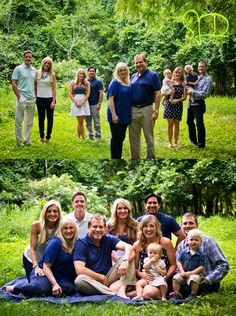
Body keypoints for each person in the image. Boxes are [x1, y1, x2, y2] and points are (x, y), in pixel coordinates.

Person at [5, 218, 78, 297]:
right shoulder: (56, 242)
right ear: (61, 230)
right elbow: (46, 267)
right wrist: (55, 284)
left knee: (70, 289)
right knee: (40, 289)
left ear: (75, 230)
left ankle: (34, 289)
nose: (68, 231)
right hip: (45, 274)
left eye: (71, 228)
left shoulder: (77, 244)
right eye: (65, 228)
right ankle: (13, 288)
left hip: (61, 278)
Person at [74, 214, 135, 299]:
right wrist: (101, 277)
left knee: (129, 254)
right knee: (79, 280)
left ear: (104, 228)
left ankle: (121, 289)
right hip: (92, 280)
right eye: (94, 226)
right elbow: (80, 270)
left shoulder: (107, 238)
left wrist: (125, 261)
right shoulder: (81, 243)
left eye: (101, 227)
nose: (98, 230)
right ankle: (115, 293)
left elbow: (129, 247)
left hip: (109, 277)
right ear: (89, 227)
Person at [177, 212, 230, 295]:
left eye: (191, 223)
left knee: (191, 290)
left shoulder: (208, 242)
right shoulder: (182, 245)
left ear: (197, 225)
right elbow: (178, 266)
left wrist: (208, 279)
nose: (187, 226)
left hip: (205, 281)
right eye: (185, 223)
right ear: (181, 226)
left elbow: (224, 265)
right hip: (188, 280)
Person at [133, 215, 176, 300]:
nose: (148, 229)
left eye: (151, 226)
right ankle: (140, 293)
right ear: (141, 228)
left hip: (161, 280)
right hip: (146, 279)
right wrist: (141, 274)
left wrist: (165, 277)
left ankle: (157, 294)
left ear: (157, 227)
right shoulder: (138, 245)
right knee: (145, 290)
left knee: (148, 293)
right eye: (145, 226)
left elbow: (173, 265)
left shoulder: (165, 242)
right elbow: (135, 268)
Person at [129, 53, 161, 159]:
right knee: (133, 137)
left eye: (140, 62)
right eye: (136, 62)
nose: (138, 64)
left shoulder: (153, 75)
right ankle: (135, 158)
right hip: (133, 109)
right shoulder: (133, 76)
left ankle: (151, 157)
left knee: (148, 136)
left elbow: (157, 93)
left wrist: (156, 110)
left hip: (147, 109)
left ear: (145, 62)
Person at [23, 200, 63, 282]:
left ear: (59, 213)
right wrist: (36, 267)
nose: (52, 214)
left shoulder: (62, 226)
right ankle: (12, 288)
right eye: (49, 211)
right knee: (34, 283)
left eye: (55, 211)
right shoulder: (36, 225)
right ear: (44, 213)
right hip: (31, 258)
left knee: (46, 284)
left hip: (47, 261)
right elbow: (32, 248)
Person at [107, 62, 132, 159]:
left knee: (121, 137)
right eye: (120, 70)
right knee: (116, 138)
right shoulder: (115, 82)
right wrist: (114, 114)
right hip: (116, 115)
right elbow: (110, 99)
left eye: (124, 70)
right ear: (117, 72)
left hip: (125, 114)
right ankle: (115, 157)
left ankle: (119, 156)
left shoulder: (128, 82)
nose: (123, 72)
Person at [12, 50, 37, 147]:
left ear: (32, 58)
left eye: (30, 57)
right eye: (26, 57)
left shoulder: (34, 70)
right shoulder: (18, 69)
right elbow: (13, 82)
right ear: (23, 58)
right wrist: (19, 96)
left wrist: (35, 95)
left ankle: (27, 140)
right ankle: (19, 142)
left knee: (29, 122)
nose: (28, 58)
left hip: (31, 99)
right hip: (22, 97)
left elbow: (35, 84)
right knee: (19, 121)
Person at [172, 229, 205, 301]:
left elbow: (201, 267)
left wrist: (191, 273)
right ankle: (176, 294)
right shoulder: (184, 252)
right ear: (187, 241)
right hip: (184, 272)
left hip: (196, 274)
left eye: (196, 240)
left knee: (194, 279)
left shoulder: (201, 254)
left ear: (201, 242)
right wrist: (182, 271)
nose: (193, 242)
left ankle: (193, 294)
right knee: (175, 278)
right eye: (191, 240)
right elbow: (178, 261)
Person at [186, 60, 213, 148]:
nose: (201, 68)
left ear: (206, 67)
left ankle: (201, 144)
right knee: (189, 121)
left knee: (199, 124)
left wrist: (192, 91)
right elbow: (189, 84)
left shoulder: (208, 79)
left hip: (199, 103)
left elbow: (205, 94)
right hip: (191, 102)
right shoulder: (197, 77)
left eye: (202, 66)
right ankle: (193, 140)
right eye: (199, 66)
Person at [106, 198, 138, 262]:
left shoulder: (135, 224)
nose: (122, 211)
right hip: (112, 259)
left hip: (131, 257)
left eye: (125, 208)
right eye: (119, 208)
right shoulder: (109, 225)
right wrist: (117, 261)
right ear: (115, 210)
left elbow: (138, 246)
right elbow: (105, 246)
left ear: (128, 210)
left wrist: (125, 261)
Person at [163, 66, 186, 148]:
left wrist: (176, 101)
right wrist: (164, 101)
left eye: (179, 73)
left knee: (177, 124)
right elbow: (165, 92)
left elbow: (184, 97)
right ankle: (169, 142)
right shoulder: (170, 82)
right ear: (174, 73)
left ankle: (175, 142)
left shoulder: (183, 84)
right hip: (169, 105)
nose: (177, 74)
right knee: (170, 124)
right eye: (176, 72)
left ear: (182, 74)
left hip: (178, 105)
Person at [36, 56, 56, 144]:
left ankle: (48, 137)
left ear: (50, 65)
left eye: (49, 63)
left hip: (49, 99)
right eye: (45, 63)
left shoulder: (52, 75)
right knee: (41, 118)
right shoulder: (37, 73)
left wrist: (53, 101)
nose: (47, 64)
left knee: (50, 119)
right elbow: (35, 86)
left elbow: (54, 88)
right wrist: (35, 97)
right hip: (39, 99)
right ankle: (41, 137)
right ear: (43, 63)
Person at [69, 68, 91, 140]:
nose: (81, 75)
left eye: (83, 74)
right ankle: (82, 137)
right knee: (80, 121)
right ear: (77, 74)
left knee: (81, 121)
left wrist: (82, 102)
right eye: (80, 73)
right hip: (75, 102)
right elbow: (70, 93)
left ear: (84, 75)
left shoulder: (87, 83)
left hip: (83, 102)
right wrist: (75, 102)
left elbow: (88, 93)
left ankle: (80, 137)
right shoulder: (73, 83)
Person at [85, 66, 104, 140]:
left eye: (93, 71)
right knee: (88, 121)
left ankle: (98, 136)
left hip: (95, 104)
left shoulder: (98, 82)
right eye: (90, 71)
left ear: (95, 72)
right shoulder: (86, 81)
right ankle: (90, 135)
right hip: (86, 104)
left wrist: (99, 103)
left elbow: (101, 93)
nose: (91, 72)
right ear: (88, 72)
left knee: (96, 121)